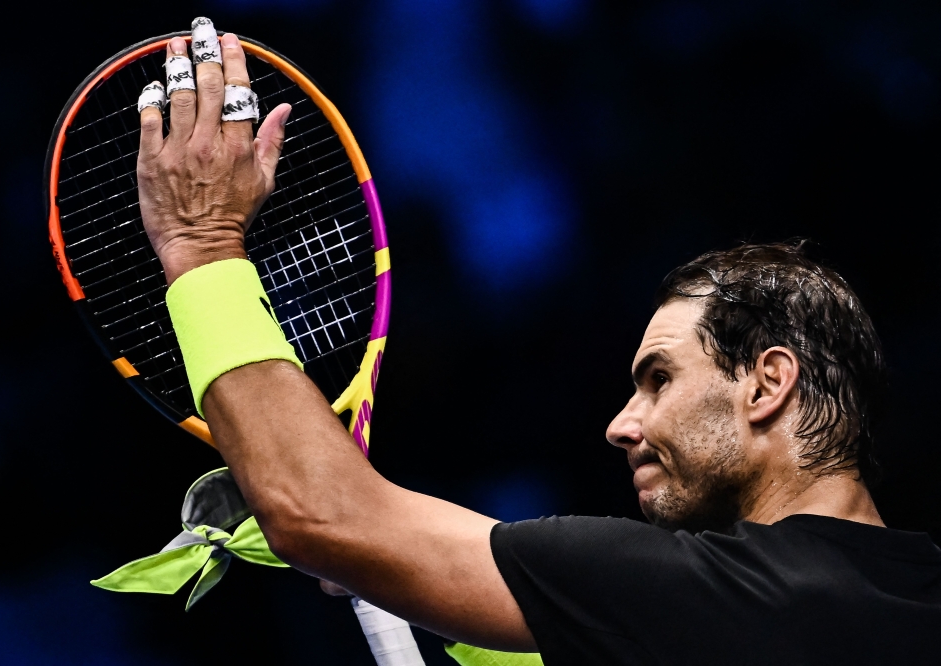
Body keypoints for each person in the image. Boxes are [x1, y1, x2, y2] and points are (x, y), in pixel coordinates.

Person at [136, 27, 940, 665]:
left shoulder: (715, 592)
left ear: (767, 384)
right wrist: (417, 582)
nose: (621, 424)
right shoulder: (909, 597)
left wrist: (202, 243)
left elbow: (322, 514)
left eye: (659, 380)